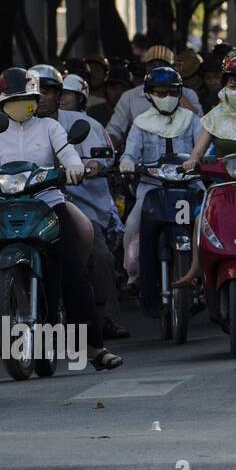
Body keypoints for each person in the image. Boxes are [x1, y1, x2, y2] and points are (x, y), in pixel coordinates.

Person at [0, 68, 123, 370]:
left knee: (74, 273)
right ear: (0, 103)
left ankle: (93, 349)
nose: (19, 104)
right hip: (4, 207)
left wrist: (73, 166)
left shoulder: (50, 128)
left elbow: (67, 153)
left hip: (47, 205)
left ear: (35, 100)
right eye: (13, 100)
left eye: (26, 99)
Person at [118, 66, 202, 319]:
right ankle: (135, 276)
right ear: (149, 94)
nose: (166, 96)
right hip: (152, 188)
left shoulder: (192, 120)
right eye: (160, 92)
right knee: (132, 225)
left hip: (190, 185)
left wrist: (202, 161)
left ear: (180, 93)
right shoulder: (140, 124)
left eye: (171, 92)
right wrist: (127, 162)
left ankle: (207, 277)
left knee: (208, 222)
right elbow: (130, 153)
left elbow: (204, 149)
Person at [51, 72, 129, 340]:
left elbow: (102, 158)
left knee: (100, 256)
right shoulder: (13, 128)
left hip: (77, 201)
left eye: (49, 92)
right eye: (31, 96)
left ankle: (105, 317)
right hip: (30, 206)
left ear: (59, 96)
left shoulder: (83, 124)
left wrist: (93, 165)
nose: (40, 100)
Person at [106, 45, 203, 147]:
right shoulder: (130, 96)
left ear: (173, 68)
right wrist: (107, 148)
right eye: (152, 65)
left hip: (183, 157)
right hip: (141, 158)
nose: (157, 69)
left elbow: (199, 124)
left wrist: (176, 90)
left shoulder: (188, 94)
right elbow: (114, 130)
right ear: (145, 68)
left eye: (162, 65)